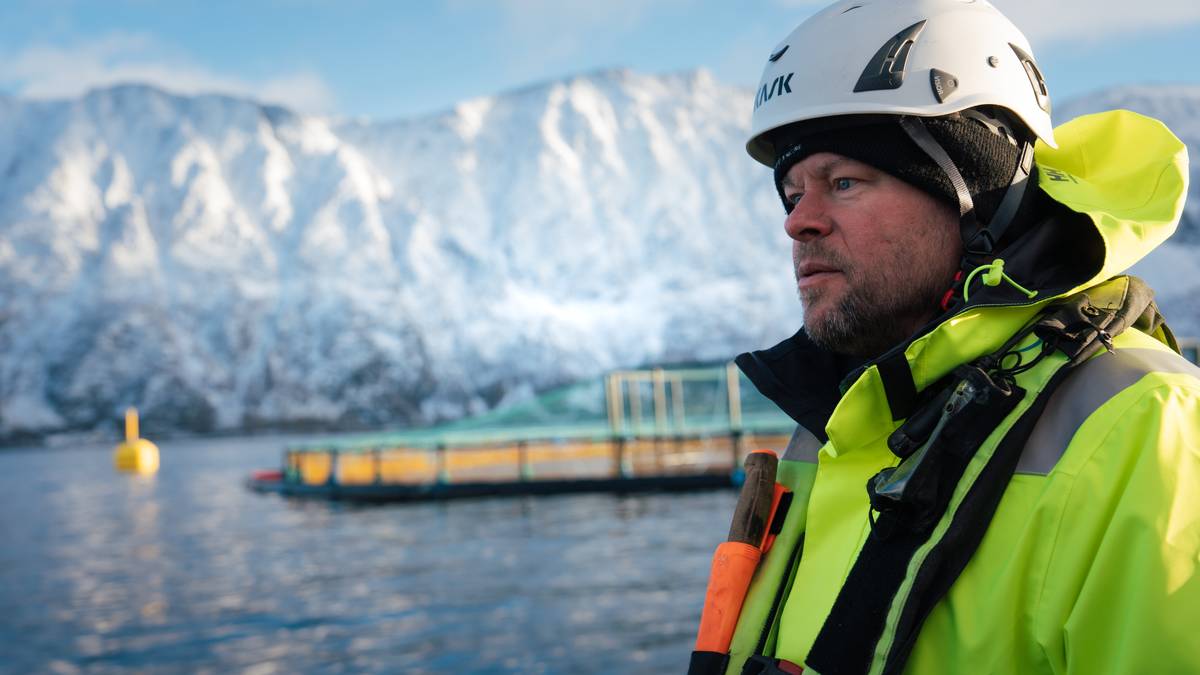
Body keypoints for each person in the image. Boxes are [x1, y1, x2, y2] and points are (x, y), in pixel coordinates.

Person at [693, 1, 1200, 673]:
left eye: (843, 181)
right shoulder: (837, 424)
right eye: (791, 190)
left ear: (977, 193)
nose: (799, 221)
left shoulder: (1148, 431)